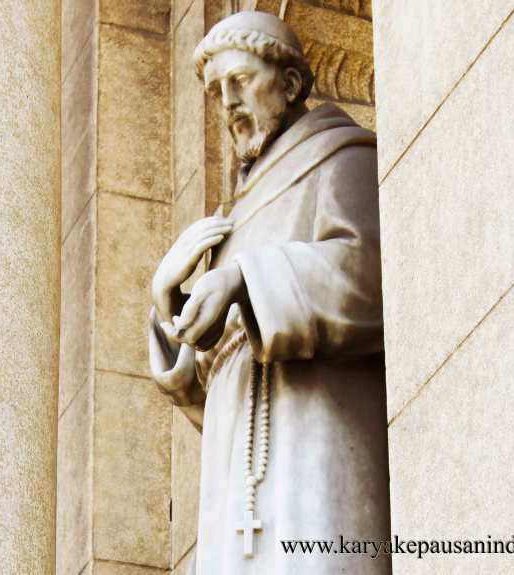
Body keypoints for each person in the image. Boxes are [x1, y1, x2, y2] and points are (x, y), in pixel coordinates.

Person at [148, 11, 390, 574]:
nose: (228, 102)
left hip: (317, 435)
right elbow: (207, 388)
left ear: (290, 82)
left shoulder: (344, 159)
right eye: (216, 91)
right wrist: (169, 303)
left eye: (240, 80)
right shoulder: (231, 216)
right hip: (236, 465)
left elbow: (369, 277)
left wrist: (244, 279)